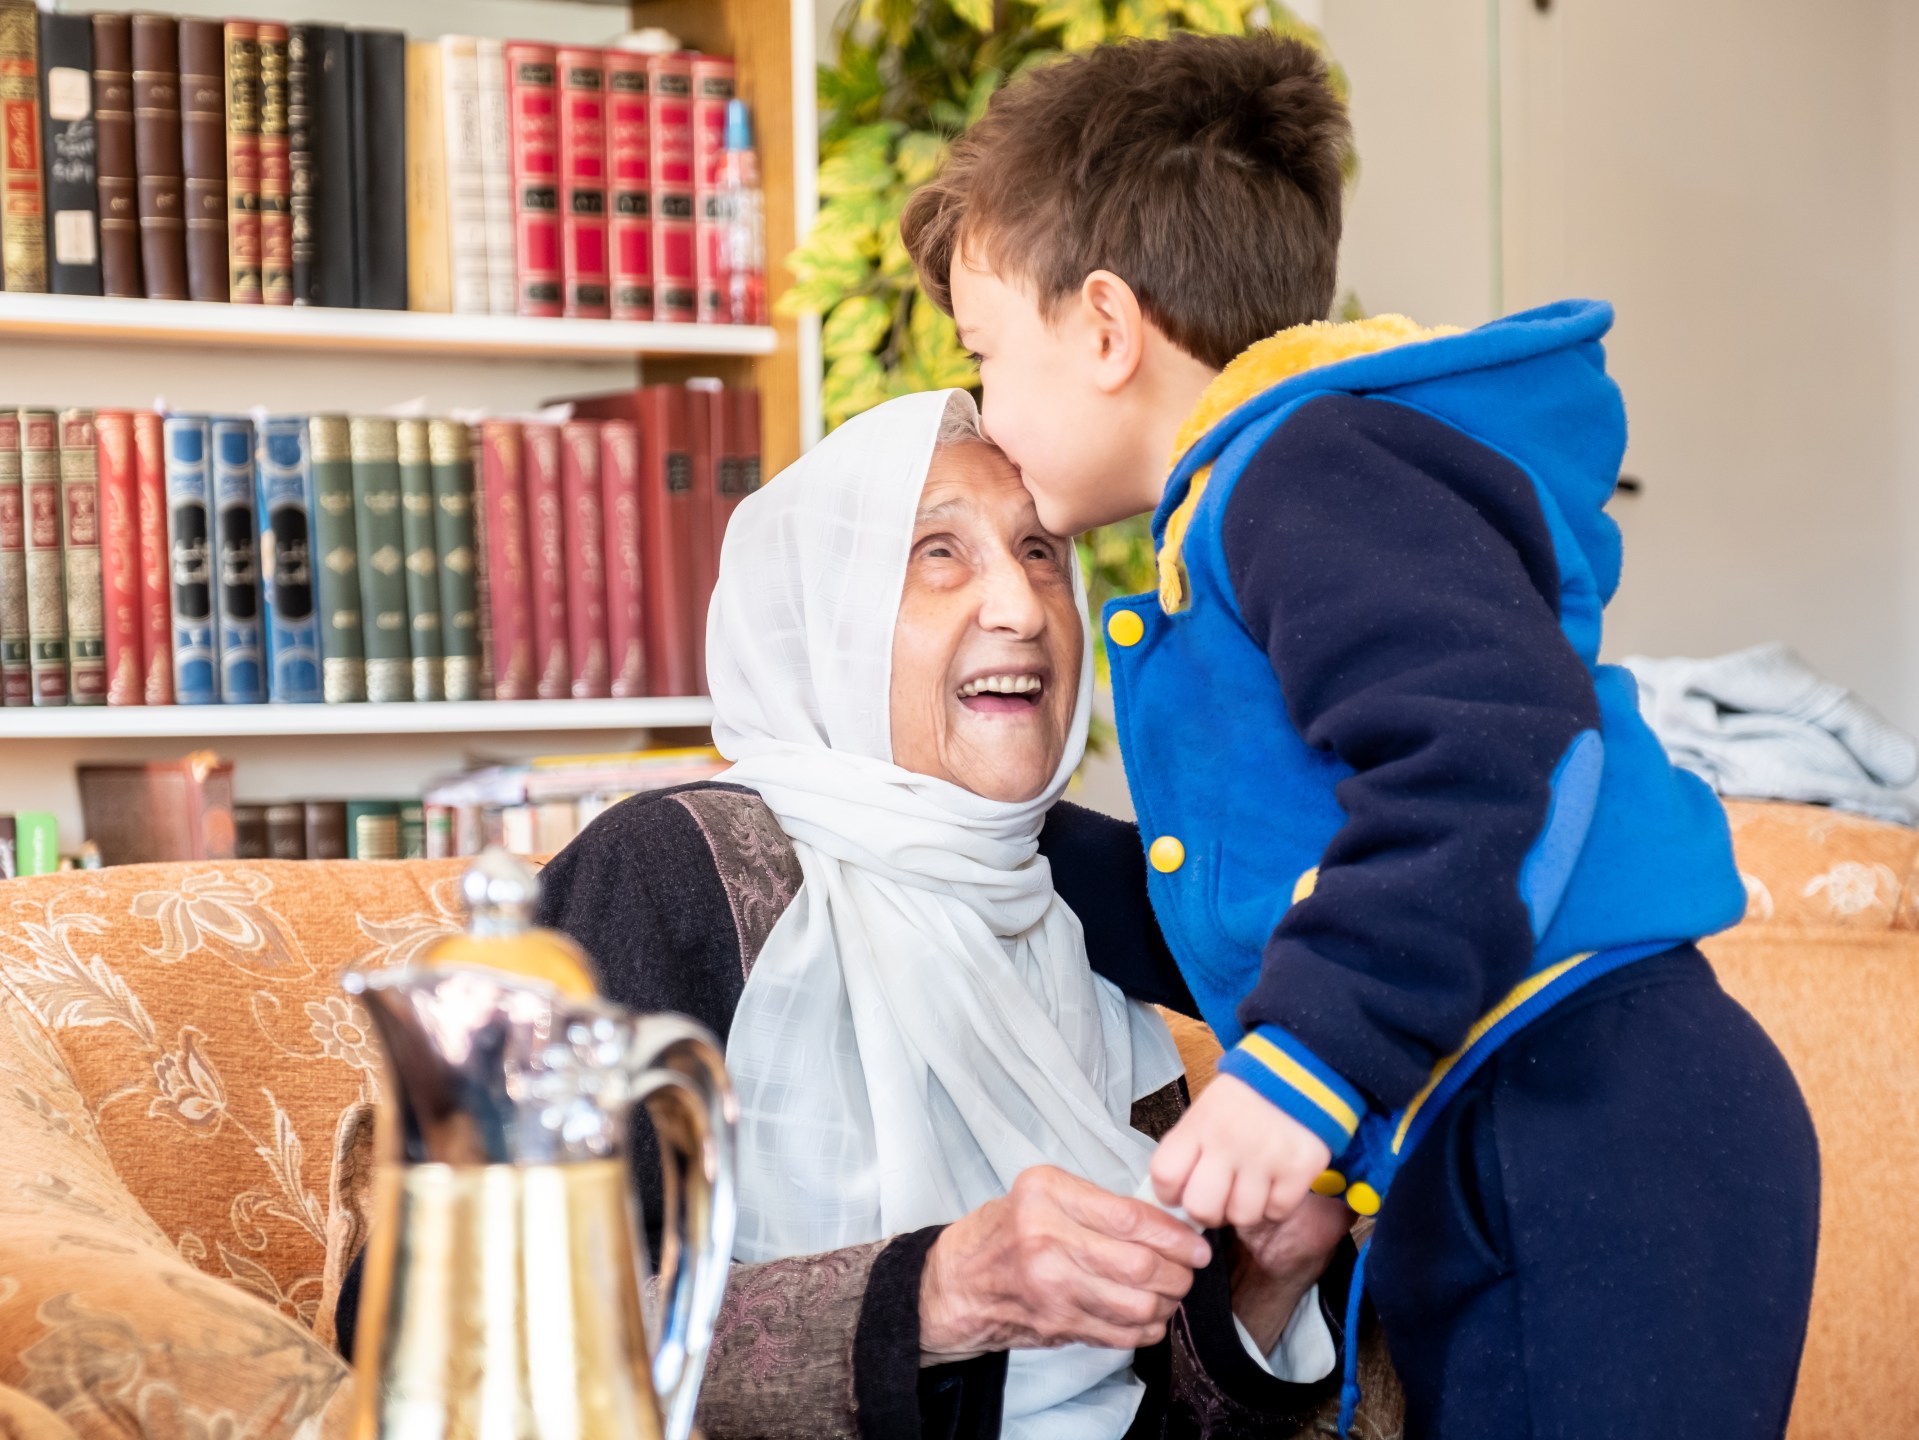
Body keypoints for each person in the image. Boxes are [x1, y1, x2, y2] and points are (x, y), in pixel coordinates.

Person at [900, 31, 1820, 1439]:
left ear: (1104, 329)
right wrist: (972, 836)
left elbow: (1490, 758)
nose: (989, 412)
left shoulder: (1303, 472)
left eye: (988, 356)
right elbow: (1267, 889)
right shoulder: (1265, 493)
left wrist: (1302, 1068)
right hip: (1529, 1120)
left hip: (1598, 1121)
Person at [335, 389, 1403, 1439]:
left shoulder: (1081, 894)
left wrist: (1267, 1282)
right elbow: (438, 1321)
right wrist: (936, 1292)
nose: (1022, 608)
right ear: (826, 620)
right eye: (938, 552)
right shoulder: (677, 867)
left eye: (1041, 552)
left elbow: (1154, 1399)